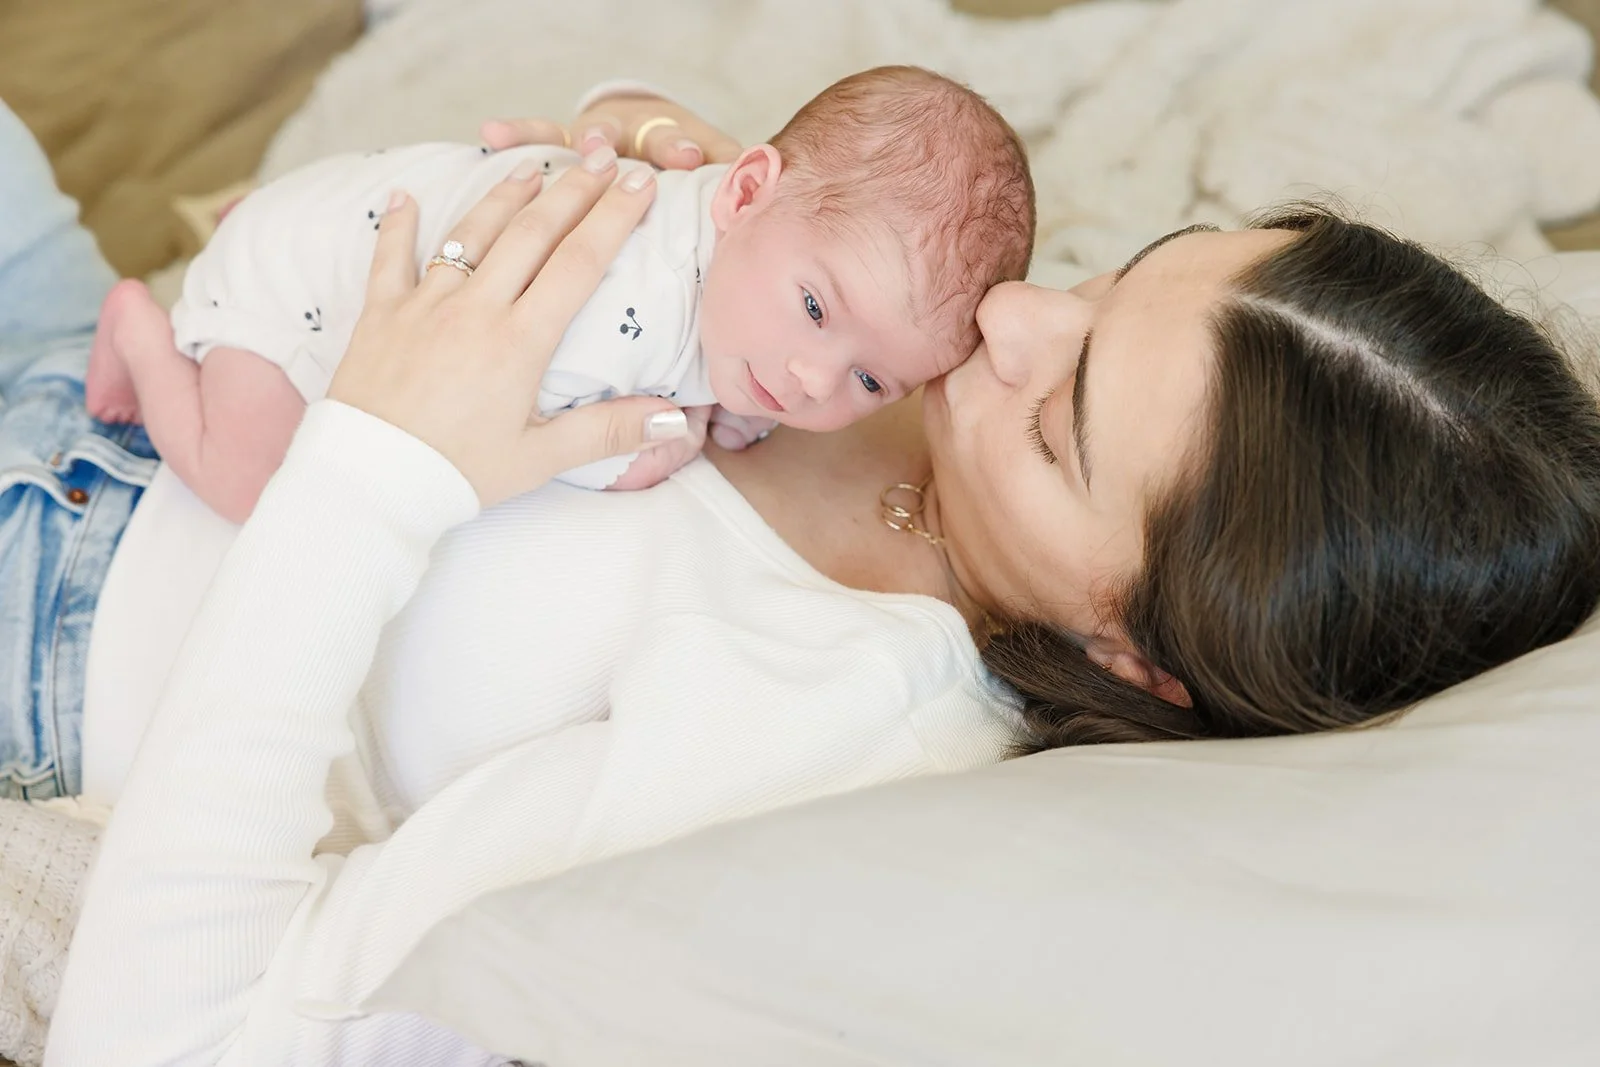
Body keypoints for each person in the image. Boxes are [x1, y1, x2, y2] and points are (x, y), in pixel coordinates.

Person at [0, 76, 1586, 1062]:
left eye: (1071, 414)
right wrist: (655, 188)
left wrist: (373, 470)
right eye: (1120, 278)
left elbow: (166, 1038)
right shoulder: (950, 348)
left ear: (1138, 654)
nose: (1017, 320)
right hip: (150, 333)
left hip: (51, 602)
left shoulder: (820, 730)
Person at [81, 66, 1034, 518]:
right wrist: (623, 461)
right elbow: (511, 408)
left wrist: (737, 406)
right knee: (247, 484)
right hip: (291, 292)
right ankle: (140, 335)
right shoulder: (626, 287)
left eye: (871, 382)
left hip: (356, 222)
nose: (814, 378)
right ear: (744, 189)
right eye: (818, 310)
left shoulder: (761, 254)